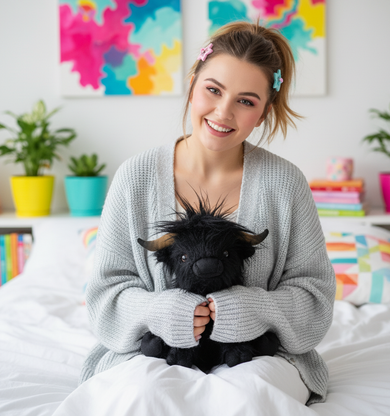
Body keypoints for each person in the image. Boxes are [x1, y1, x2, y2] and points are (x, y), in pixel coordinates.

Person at [79, 20, 336, 408]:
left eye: (246, 101)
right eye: (213, 90)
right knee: (146, 395)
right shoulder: (135, 176)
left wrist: (252, 307)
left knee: (251, 396)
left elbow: (315, 296)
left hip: (261, 354)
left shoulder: (286, 183)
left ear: (264, 112)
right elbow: (104, 296)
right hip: (152, 351)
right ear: (193, 83)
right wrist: (158, 310)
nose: (223, 112)